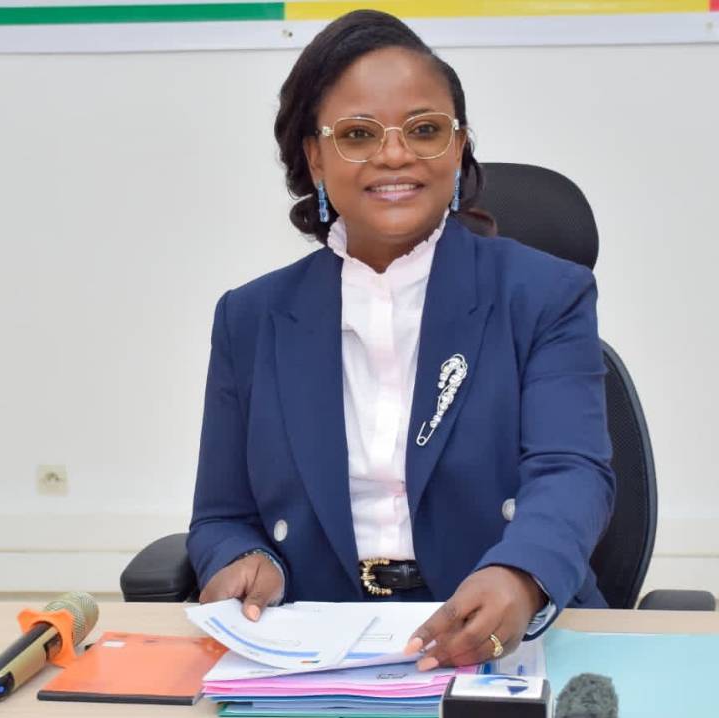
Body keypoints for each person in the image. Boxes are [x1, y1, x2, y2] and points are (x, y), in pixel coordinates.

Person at [187, 9, 615, 670]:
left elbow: (573, 470)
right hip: (318, 647)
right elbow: (221, 517)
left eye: (425, 129)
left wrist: (522, 574)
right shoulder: (251, 318)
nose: (394, 155)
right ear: (315, 157)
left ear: (458, 146)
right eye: (358, 134)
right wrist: (240, 559)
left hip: (509, 635)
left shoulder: (545, 295)